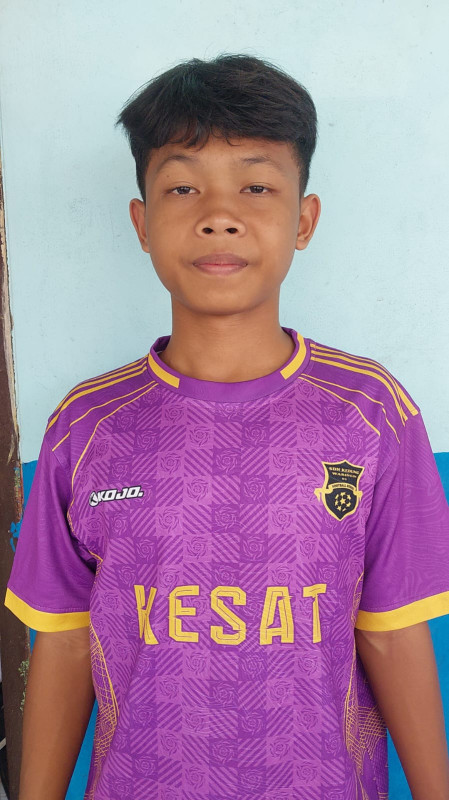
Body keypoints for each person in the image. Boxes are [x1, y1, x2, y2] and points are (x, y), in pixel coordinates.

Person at [4, 53, 449, 800]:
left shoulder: (371, 412)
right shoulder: (87, 427)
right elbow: (67, 641)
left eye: (256, 186)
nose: (218, 214)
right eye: (183, 187)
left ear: (303, 220)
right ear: (142, 223)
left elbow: (390, 629)